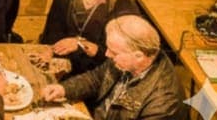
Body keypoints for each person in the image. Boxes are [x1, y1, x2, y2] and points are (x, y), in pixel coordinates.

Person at [40, 15, 185, 120]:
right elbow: (96, 79)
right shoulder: (124, 60)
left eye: (114, 52)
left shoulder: (163, 104)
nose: (107, 54)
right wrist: (63, 89)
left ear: (139, 56)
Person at [40, 0, 138, 76]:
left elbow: (115, 58)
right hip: (62, 62)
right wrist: (50, 49)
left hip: (97, 71)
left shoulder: (122, 1)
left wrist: (81, 45)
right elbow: (53, 27)